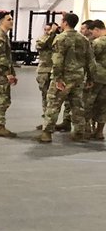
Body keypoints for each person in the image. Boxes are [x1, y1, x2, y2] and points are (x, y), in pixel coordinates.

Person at [37, 12, 92, 143]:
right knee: (77, 106)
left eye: (62, 21)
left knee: (53, 104)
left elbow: (57, 60)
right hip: (78, 77)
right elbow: (90, 60)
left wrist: (57, 78)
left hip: (64, 78)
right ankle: (79, 133)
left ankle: (47, 133)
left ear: (65, 23)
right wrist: (89, 77)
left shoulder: (61, 38)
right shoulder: (83, 39)